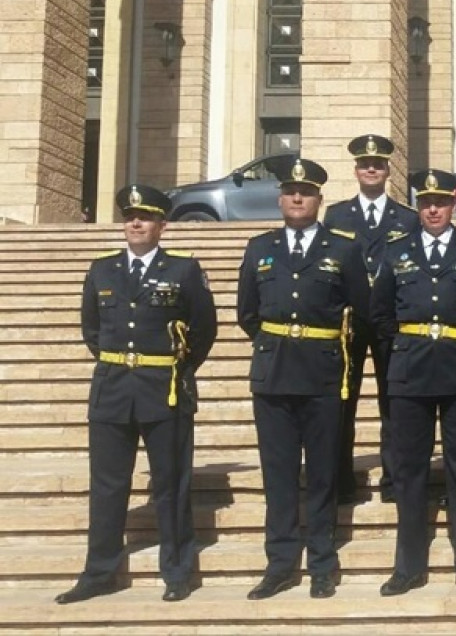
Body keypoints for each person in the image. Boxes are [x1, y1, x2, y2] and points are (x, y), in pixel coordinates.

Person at [56, 185, 217, 605]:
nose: (135, 223)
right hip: (112, 390)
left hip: (163, 389)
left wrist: (175, 370)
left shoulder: (184, 270)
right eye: (129, 216)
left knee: (171, 483)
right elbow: (92, 330)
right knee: (107, 486)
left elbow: (203, 331)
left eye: (145, 217)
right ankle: (100, 572)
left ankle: (178, 570)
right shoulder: (102, 269)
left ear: (162, 225)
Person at [237, 157, 370, 600]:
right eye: (292, 191)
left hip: (323, 374)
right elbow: (247, 313)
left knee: (322, 473)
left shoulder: (344, 248)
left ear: (318, 199)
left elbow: (361, 311)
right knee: (277, 474)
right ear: (280, 198)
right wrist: (277, 345)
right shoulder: (260, 247)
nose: (298, 198)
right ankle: (279, 563)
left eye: (307, 192)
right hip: (273, 375)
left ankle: (321, 562)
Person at [370, 168, 456, 599]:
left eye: (441, 201)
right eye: (426, 201)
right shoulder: (396, 252)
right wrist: (406, 351)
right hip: (409, 374)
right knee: (409, 472)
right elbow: (381, 314)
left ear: (454, 202)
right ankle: (408, 567)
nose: (432, 209)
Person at [323, 134, 420, 505]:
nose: (371, 169)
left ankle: (394, 479)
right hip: (347, 319)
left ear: (387, 170)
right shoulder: (335, 215)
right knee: (342, 401)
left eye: (378, 164)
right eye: (365, 164)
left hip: (390, 321)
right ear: (356, 170)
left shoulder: (406, 218)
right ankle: (342, 479)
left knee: (393, 400)